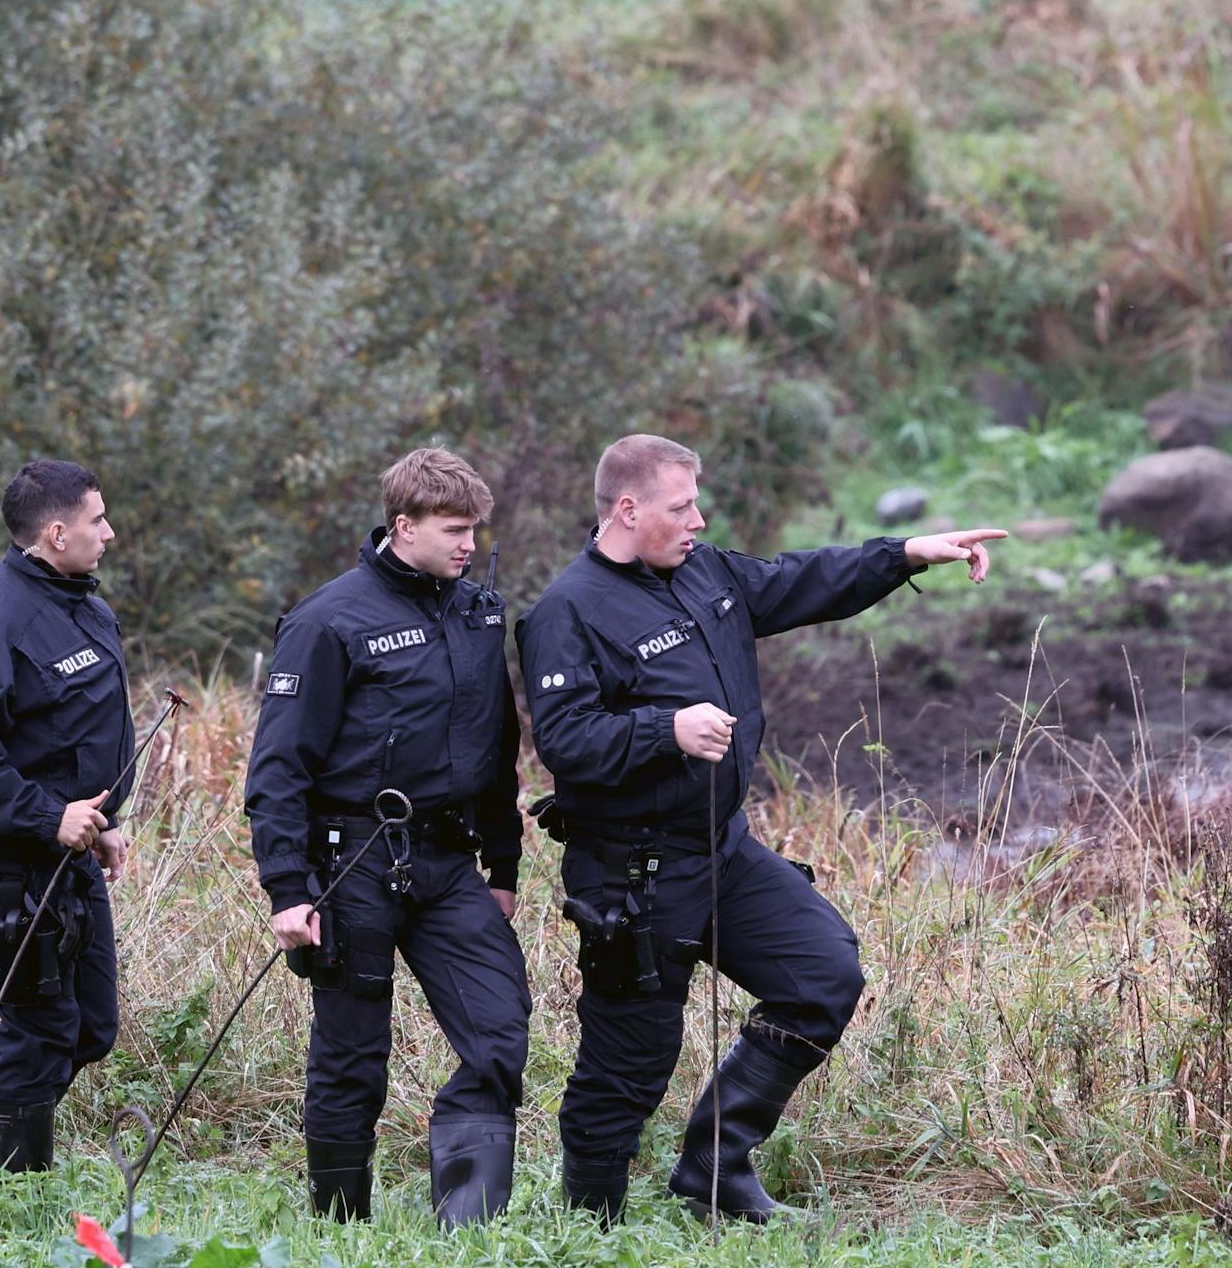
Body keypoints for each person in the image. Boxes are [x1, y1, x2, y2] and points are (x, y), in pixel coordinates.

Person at [519, 432, 1006, 1223]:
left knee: (821, 975)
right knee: (629, 1064)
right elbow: (564, 741)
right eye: (682, 507)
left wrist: (908, 554)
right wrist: (663, 729)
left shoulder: (704, 573)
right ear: (628, 508)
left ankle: (715, 1169)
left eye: (696, 504)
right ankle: (588, 1229)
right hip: (633, 874)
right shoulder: (567, 612)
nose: (699, 520)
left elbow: (802, 580)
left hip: (722, 852)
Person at [244, 448, 529, 1227]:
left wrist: (503, 864)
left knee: (500, 1028)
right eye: (453, 529)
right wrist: (288, 889)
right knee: (352, 1057)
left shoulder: (477, 613)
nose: (468, 544)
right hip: (351, 861)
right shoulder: (327, 620)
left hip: (448, 861)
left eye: (475, 529)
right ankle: (341, 1226)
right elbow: (277, 768)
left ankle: (467, 1224)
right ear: (402, 526)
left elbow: (496, 746)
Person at [0, 461, 132, 1176]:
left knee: (91, 1027)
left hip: (68, 852)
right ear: (55, 531)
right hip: (4, 858)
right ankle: (10, 1192)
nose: (109, 532)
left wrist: (99, 823)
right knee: (41, 1029)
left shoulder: (85, 606)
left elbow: (74, 734)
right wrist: (49, 816)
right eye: (97, 520)